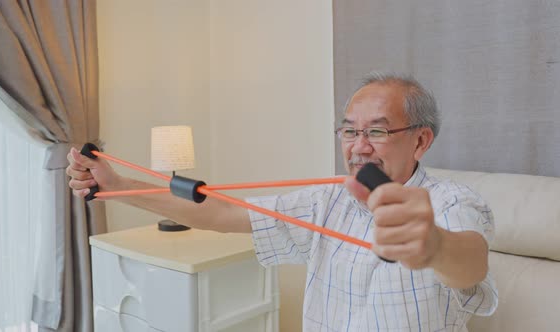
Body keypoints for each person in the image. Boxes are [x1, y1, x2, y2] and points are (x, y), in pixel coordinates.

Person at [66, 72, 497, 331]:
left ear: (421, 141)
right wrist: (119, 185)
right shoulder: (328, 199)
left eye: (378, 132)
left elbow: (471, 262)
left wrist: (434, 245)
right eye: (349, 131)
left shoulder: (451, 201)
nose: (359, 148)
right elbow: (222, 210)